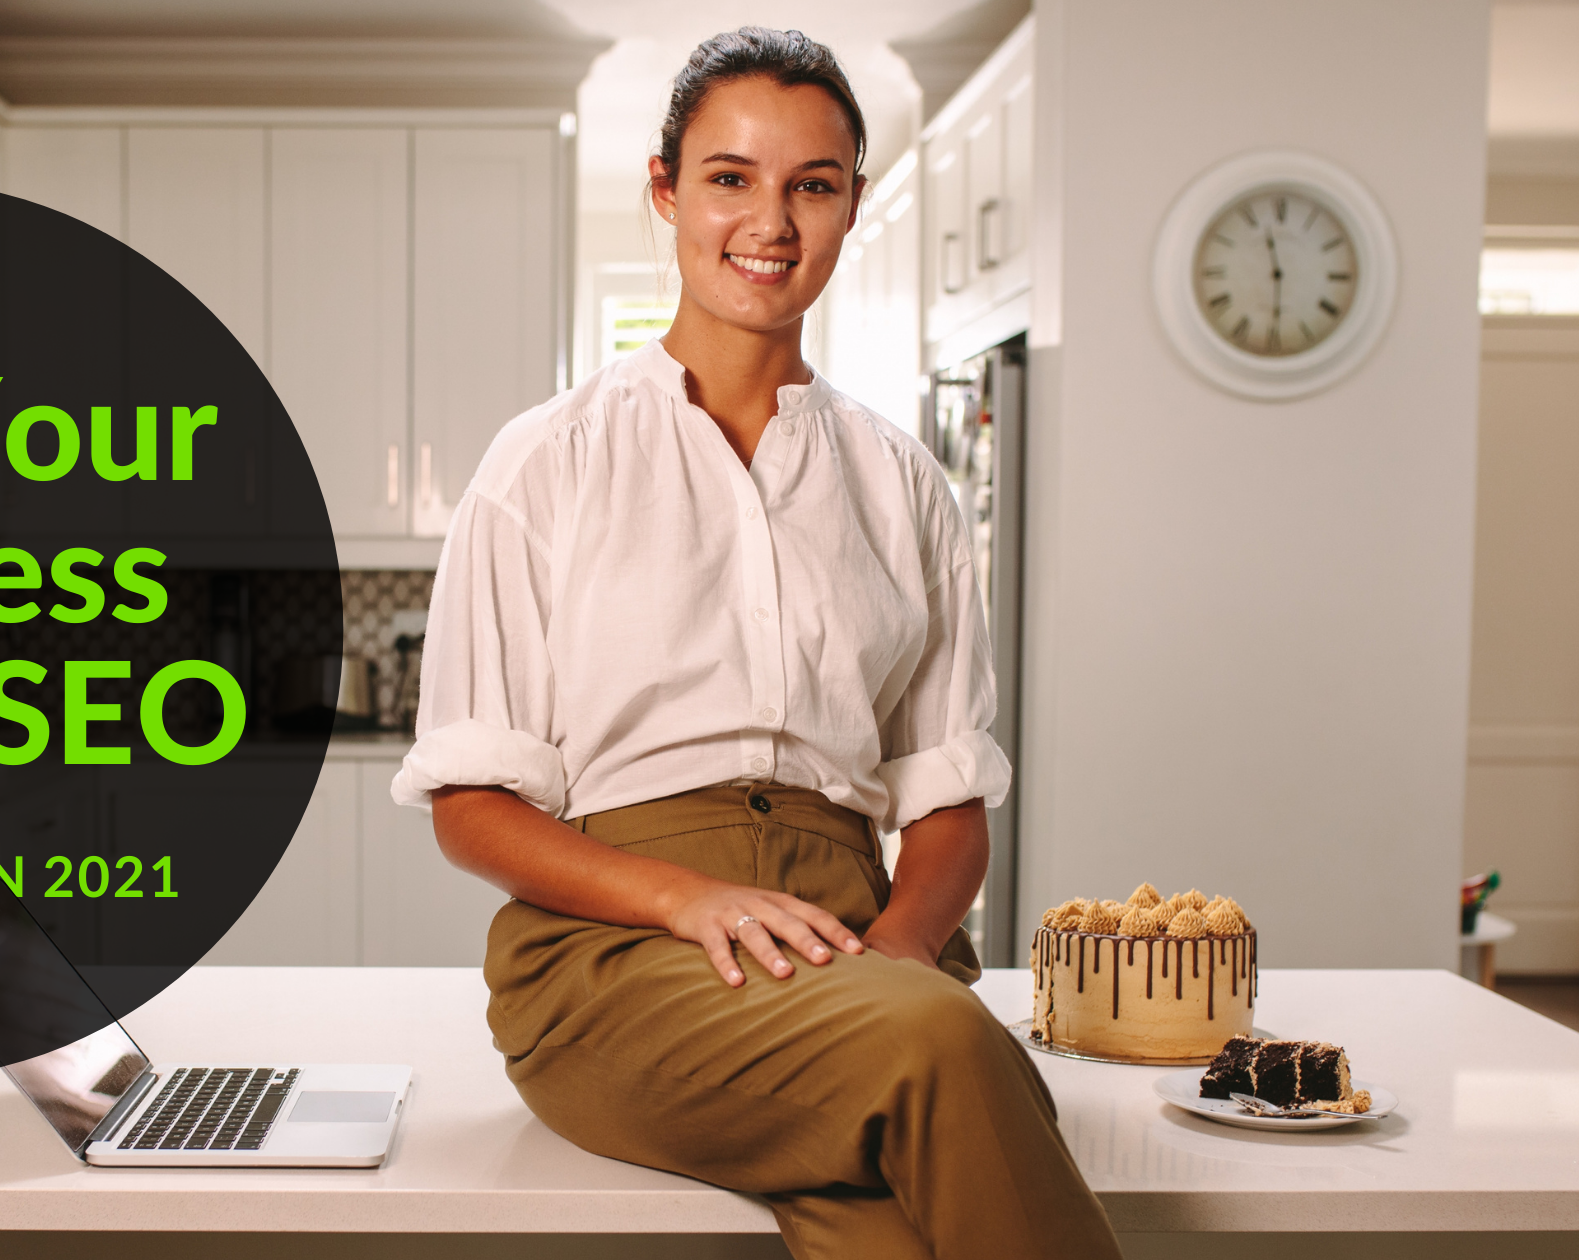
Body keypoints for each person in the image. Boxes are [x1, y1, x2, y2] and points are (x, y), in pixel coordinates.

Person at [390, 27, 1122, 1260]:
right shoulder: (544, 463)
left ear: (850, 206)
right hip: (614, 961)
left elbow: (946, 800)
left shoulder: (902, 484)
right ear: (666, 191)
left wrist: (888, 958)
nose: (768, 221)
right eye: (729, 177)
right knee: (951, 1052)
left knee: (891, 1206)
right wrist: (690, 900)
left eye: (811, 185)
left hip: (850, 943)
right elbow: (472, 810)